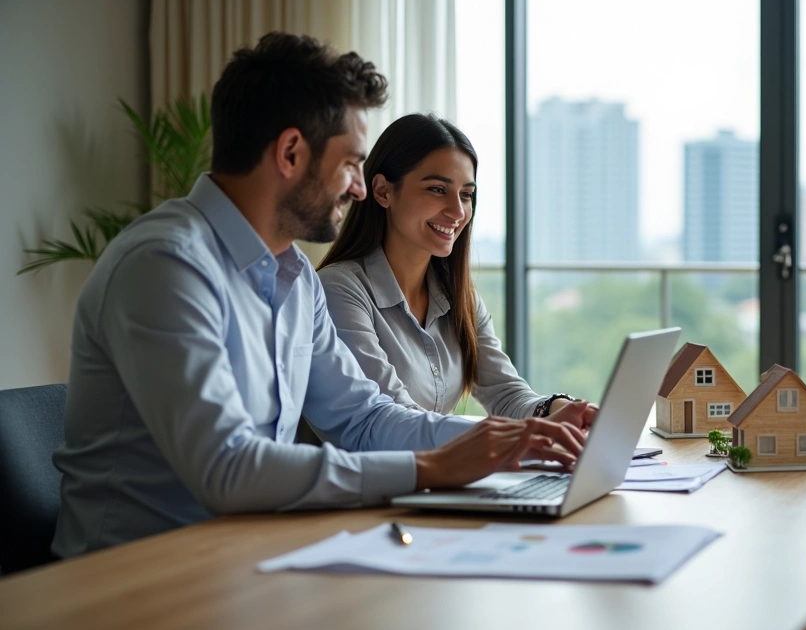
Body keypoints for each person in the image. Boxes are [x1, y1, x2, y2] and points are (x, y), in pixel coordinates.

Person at [51, 33, 591, 559]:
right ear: (290, 152)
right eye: (352, 163)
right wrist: (431, 466)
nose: (359, 188)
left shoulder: (295, 277)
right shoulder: (166, 265)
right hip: (137, 580)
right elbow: (226, 469)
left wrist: (515, 439)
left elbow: (362, 419)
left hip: (246, 559)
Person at [316, 114, 593, 423]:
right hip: (374, 471)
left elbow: (505, 393)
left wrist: (561, 410)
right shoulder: (338, 290)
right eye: (437, 189)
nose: (458, 212)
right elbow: (392, 420)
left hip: (438, 470)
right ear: (383, 191)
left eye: (466, 194)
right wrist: (504, 440)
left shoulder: (458, 295)